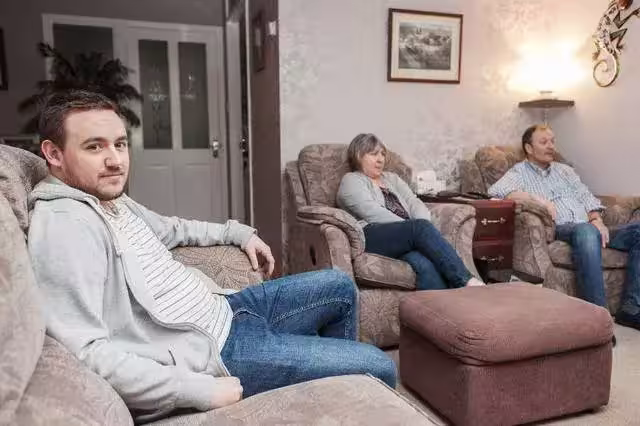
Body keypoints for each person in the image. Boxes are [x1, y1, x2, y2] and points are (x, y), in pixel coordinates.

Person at [27, 90, 396, 423]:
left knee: (338, 286)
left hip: (229, 307)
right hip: (220, 351)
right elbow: (87, 351)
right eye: (94, 147)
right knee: (378, 366)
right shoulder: (65, 225)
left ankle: (334, 397)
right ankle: (338, 382)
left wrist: (237, 232)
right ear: (54, 154)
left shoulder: (112, 200)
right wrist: (197, 390)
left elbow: (173, 228)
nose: (115, 160)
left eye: (120, 144)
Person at [488, 124, 640, 331]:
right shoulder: (519, 172)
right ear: (529, 148)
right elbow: (496, 191)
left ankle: (631, 309)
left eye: (552, 141)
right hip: (563, 229)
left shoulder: (565, 171)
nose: (551, 146)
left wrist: (596, 219)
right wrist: (538, 199)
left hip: (589, 224)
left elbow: (586, 197)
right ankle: (598, 320)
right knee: (586, 231)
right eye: (544, 142)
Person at [336, 133, 484, 291]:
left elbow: (413, 201)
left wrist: (418, 230)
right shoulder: (351, 180)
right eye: (374, 154)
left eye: (382, 154)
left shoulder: (391, 178)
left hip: (404, 236)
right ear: (359, 156)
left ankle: (441, 304)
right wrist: (414, 231)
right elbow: (371, 212)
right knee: (420, 229)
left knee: (423, 263)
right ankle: (466, 281)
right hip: (371, 235)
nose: (380, 159)